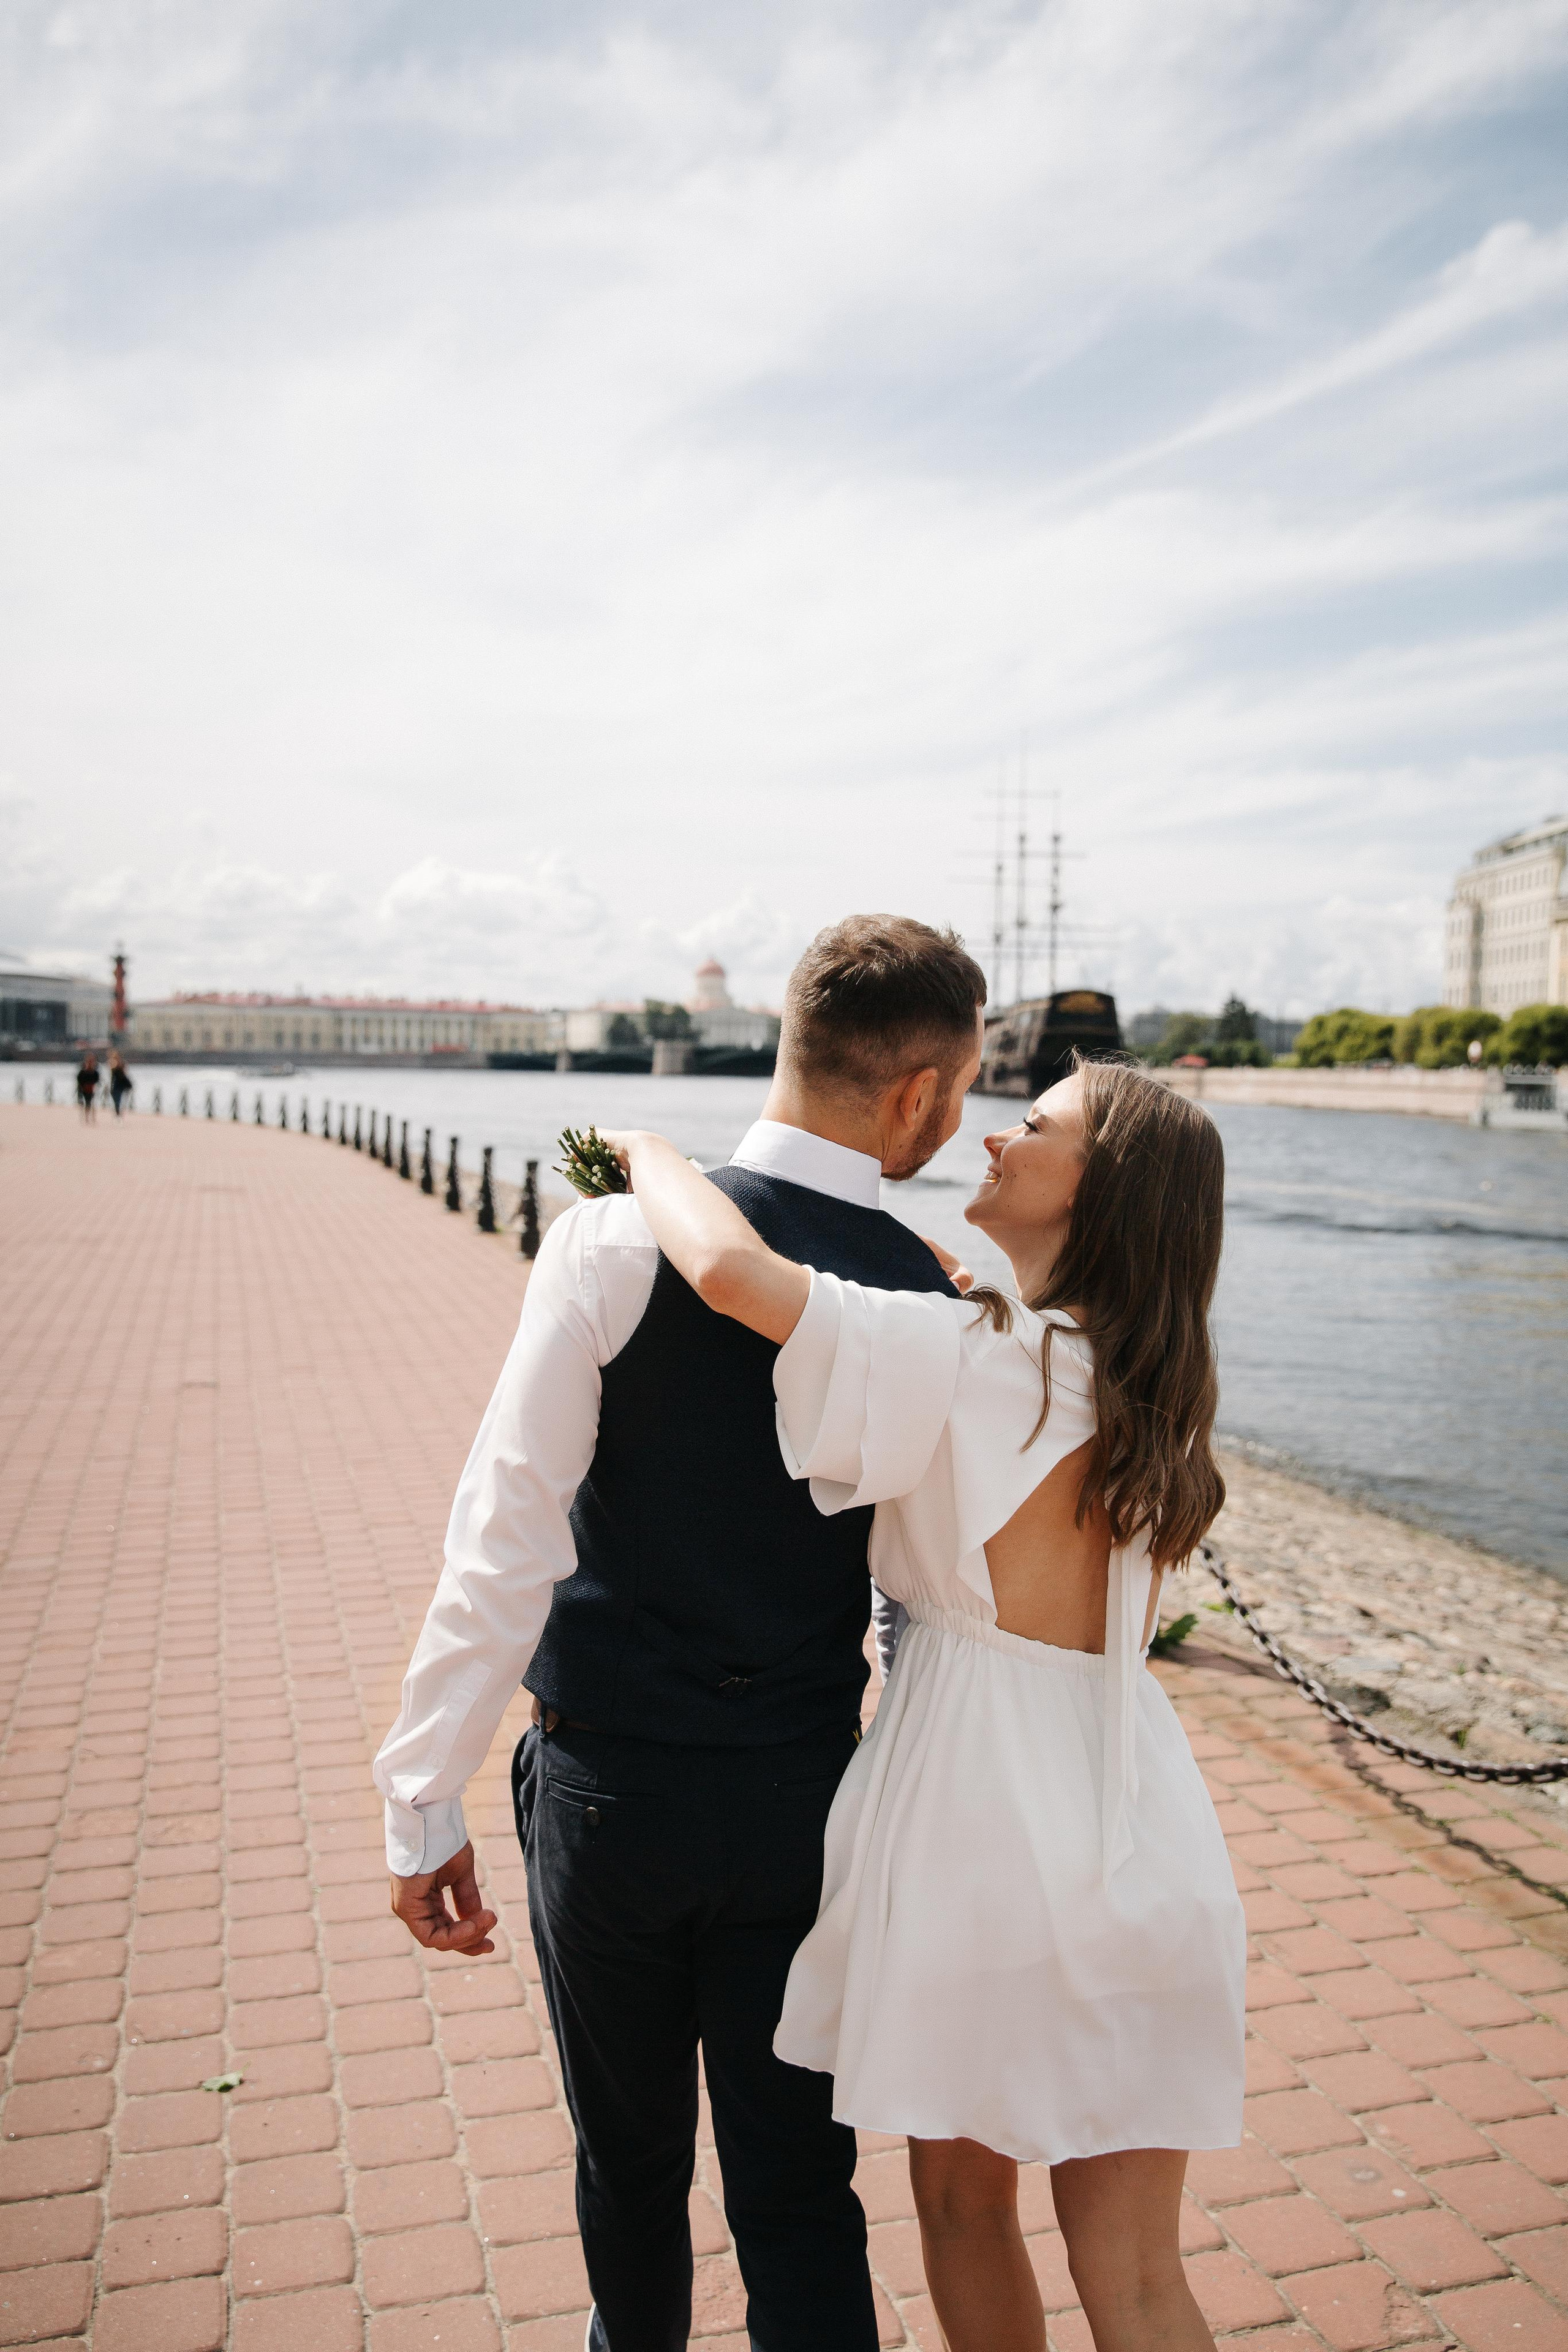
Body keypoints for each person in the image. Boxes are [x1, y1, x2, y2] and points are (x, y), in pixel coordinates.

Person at [375, 915, 987, 2352]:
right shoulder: (921, 1292)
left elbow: (504, 1535)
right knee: (795, 2188)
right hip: (796, 1799)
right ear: (915, 1093)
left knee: (628, 2168)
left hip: (610, 1792)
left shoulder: (610, 1234)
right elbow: (916, 1590)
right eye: (961, 1090)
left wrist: (422, 1800)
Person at [605, 1058, 1245, 2352]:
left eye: (1040, 1127)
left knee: (962, 2206)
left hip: (981, 1829)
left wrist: (638, 1153)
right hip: (1141, 1825)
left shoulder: (969, 1355)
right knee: (1134, 2274)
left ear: (1100, 1191)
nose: (1000, 1137)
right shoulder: (1144, 1385)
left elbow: (729, 1274)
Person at [75, 1052, 99, 1122]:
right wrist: (82, 1086)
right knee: (87, 1103)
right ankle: (87, 1118)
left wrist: (95, 1086)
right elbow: (79, 1079)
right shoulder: (83, 1071)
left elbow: (97, 1080)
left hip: (92, 1089)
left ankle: (93, 1118)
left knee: (92, 1103)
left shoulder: (95, 1072)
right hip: (84, 1089)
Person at [107, 1050, 132, 1117]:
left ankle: (119, 1112)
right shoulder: (112, 1064)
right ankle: (118, 1112)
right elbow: (111, 1074)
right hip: (115, 1085)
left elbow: (125, 1073)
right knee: (116, 1099)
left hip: (121, 1084)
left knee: (120, 1099)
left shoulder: (122, 1064)